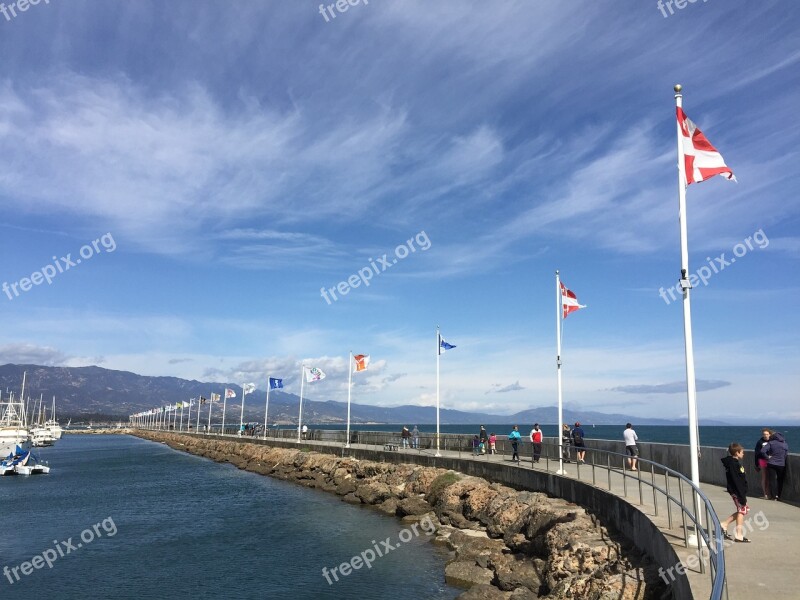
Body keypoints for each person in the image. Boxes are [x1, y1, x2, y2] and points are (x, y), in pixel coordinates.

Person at [720, 442, 751, 542]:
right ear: (737, 453)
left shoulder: (735, 463)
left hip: (738, 491)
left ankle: (724, 524)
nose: (743, 454)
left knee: (742, 510)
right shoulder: (733, 464)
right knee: (742, 510)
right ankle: (738, 534)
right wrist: (741, 495)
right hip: (737, 492)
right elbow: (736, 480)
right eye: (742, 452)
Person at [765, 431, 789, 501]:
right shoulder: (785, 444)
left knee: (772, 480)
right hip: (781, 464)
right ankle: (779, 495)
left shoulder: (771, 443)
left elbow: (763, 451)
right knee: (780, 480)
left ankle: (773, 496)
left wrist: (767, 457)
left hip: (771, 463)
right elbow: (785, 454)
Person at [754, 428, 771, 499]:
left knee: (770, 477)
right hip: (762, 460)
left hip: (771, 460)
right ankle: (765, 494)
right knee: (764, 477)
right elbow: (757, 453)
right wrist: (756, 464)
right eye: (764, 434)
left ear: (769, 434)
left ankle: (770, 492)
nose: (765, 436)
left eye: (767, 434)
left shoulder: (772, 441)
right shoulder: (760, 442)